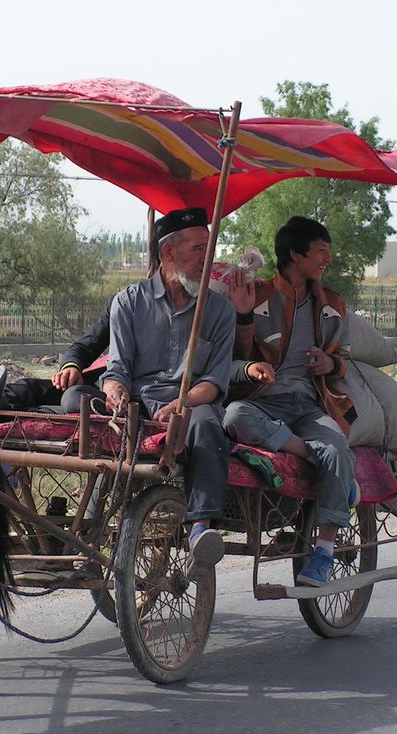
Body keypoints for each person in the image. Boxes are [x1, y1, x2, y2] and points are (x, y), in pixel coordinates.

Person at [101, 207, 236, 583]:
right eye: (196, 249)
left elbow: (214, 381)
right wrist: (115, 390)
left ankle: (200, 529)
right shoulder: (128, 302)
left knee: (210, 424)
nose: (205, 260)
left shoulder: (219, 310)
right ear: (167, 254)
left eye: (209, 249)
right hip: (140, 402)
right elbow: (117, 369)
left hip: (192, 403)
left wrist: (184, 402)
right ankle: (95, 526)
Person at [224, 216, 358, 586]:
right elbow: (235, 355)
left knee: (337, 443)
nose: (326, 259)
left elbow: (344, 358)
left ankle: (324, 553)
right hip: (264, 403)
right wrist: (245, 323)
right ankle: (317, 456)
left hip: (311, 404)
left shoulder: (332, 305)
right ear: (296, 255)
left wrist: (329, 361)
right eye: (321, 251)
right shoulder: (259, 296)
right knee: (234, 416)